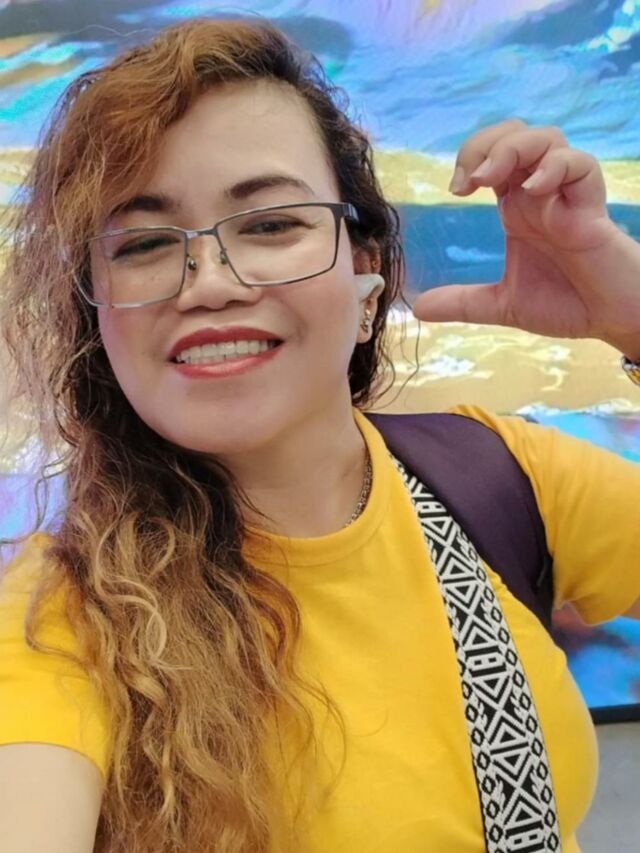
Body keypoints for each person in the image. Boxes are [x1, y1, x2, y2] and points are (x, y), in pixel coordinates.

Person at [0, 15, 639, 853]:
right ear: (97, 316)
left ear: (365, 272)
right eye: (146, 242)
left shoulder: (505, 475)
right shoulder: (64, 616)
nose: (209, 283)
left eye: (270, 224)